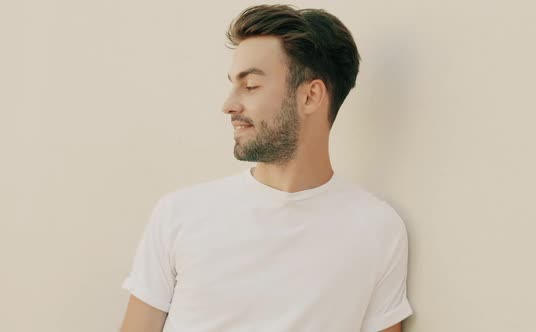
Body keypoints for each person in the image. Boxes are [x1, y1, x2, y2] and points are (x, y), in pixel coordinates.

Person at [120, 4, 413, 332]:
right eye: (234, 85)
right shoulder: (180, 215)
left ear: (310, 96)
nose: (229, 105)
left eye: (251, 86)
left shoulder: (378, 230)